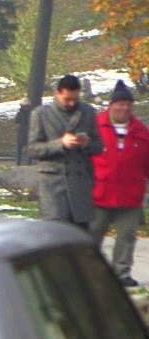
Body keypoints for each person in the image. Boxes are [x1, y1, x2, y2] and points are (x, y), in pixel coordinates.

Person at [91, 80, 149, 284]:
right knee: (92, 237)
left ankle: (121, 274)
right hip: (99, 194)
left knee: (126, 238)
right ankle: (88, 274)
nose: (123, 108)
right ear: (111, 105)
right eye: (120, 103)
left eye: (127, 104)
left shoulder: (141, 132)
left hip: (130, 196)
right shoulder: (94, 127)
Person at [29, 74, 104, 226]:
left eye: (75, 99)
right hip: (53, 187)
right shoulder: (41, 114)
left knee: (80, 237)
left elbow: (99, 146)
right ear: (57, 93)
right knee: (57, 237)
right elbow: (32, 149)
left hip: (81, 184)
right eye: (67, 99)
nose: (71, 103)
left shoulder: (88, 112)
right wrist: (60, 144)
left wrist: (86, 143)